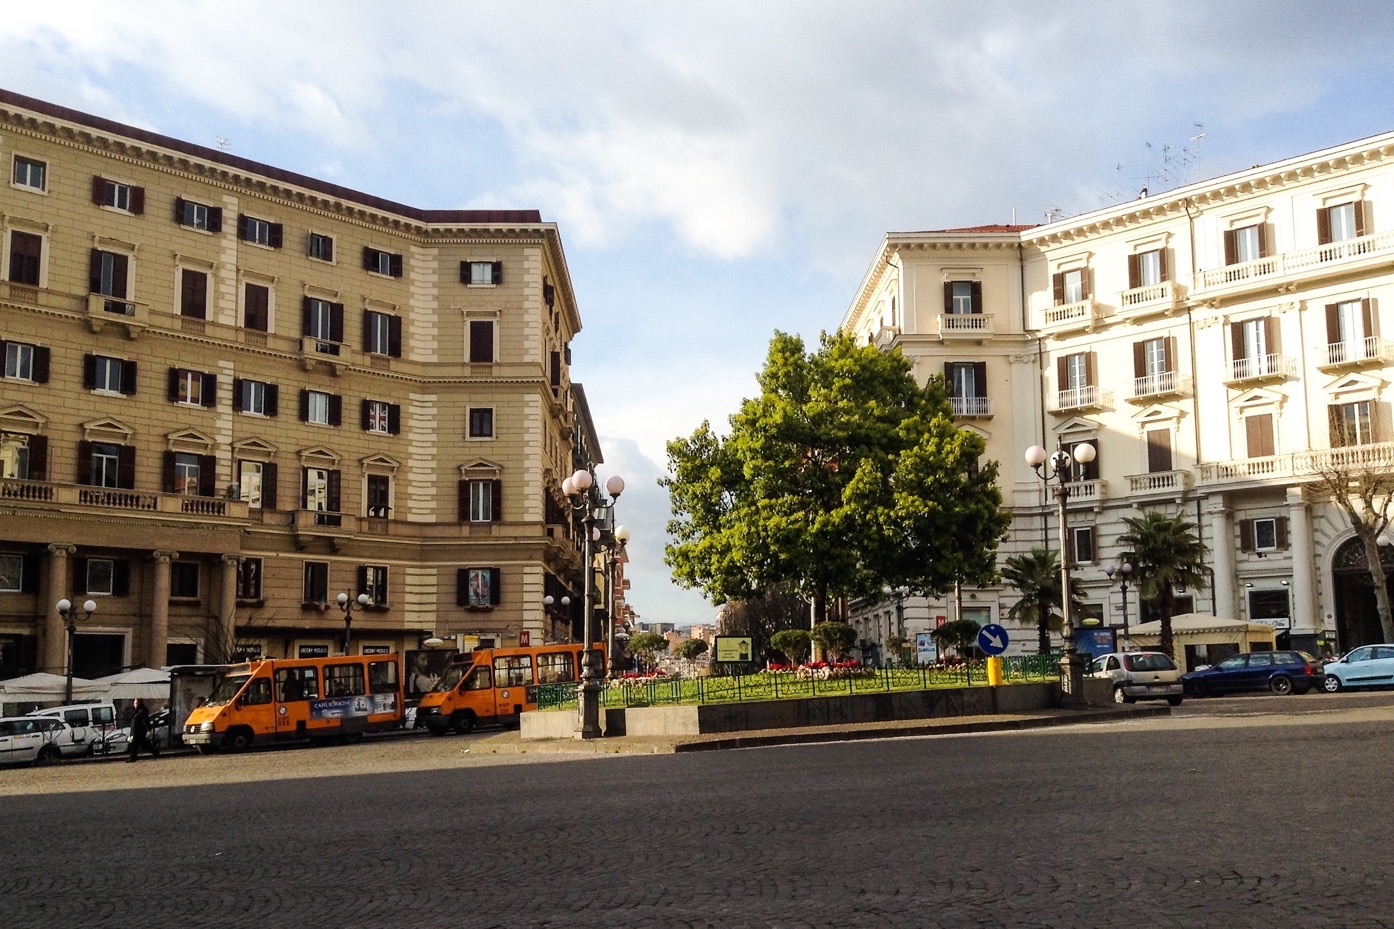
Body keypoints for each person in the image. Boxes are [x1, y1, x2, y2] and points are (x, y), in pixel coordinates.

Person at [127, 698, 160, 762]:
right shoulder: (137, 710)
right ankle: (155, 752)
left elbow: (145, 720)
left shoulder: (142, 710)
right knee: (143, 743)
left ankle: (132, 758)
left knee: (135, 743)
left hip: (139, 730)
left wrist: (148, 728)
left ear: (139, 703)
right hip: (136, 729)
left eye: (136, 703)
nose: (134, 705)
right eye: (134, 703)